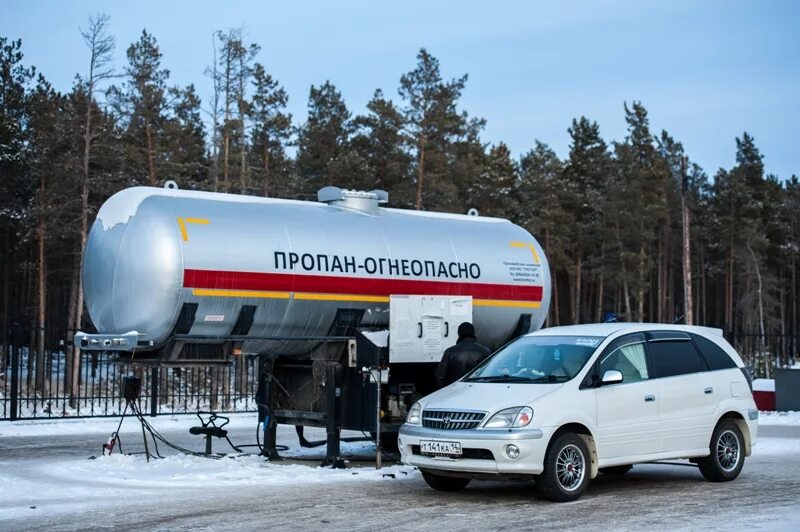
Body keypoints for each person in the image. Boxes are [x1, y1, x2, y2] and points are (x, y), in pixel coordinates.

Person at [436, 322, 492, 388]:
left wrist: (448, 390)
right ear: (473, 333)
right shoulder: (485, 351)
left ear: (459, 334)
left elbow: (441, 376)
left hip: (456, 390)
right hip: (478, 390)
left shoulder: (450, 351)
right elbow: (490, 373)